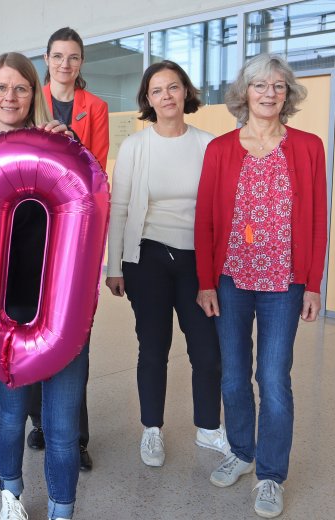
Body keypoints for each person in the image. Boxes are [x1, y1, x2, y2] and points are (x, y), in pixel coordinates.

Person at [195, 53, 327, 519]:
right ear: (243, 93)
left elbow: (317, 219)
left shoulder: (308, 147)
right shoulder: (220, 149)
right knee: (232, 376)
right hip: (231, 279)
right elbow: (207, 219)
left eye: (278, 86)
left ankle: (270, 474)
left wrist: (313, 285)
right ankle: (242, 452)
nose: (269, 93)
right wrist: (206, 281)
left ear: (286, 94)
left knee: (272, 379)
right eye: (259, 85)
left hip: (283, 284)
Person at [0, 51, 86, 520]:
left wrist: (71, 145)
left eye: (20, 88)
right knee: (11, 409)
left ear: (33, 94)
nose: (10, 96)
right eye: (1, 87)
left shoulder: (59, 142)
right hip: (6, 307)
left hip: (62, 303)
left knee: (62, 422)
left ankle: (62, 509)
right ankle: (11, 496)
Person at [105, 60, 227, 468]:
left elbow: (222, 209)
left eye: (173, 87)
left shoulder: (209, 144)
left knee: (207, 350)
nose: (166, 96)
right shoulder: (136, 146)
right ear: (148, 100)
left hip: (198, 260)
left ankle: (209, 429)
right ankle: (152, 429)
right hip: (148, 257)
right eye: (157, 91)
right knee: (153, 347)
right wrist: (115, 266)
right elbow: (119, 209)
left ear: (185, 92)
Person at [25, 26, 110, 471]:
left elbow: (96, 170)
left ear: (81, 63)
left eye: (73, 57)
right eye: (58, 56)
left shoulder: (94, 107)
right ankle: (40, 422)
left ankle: (76, 436)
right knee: (33, 327)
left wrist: (72, 143)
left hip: (74, 235)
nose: (65, 64)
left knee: (75, 334)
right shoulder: (28, 97)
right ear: (46, 58)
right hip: (31, 232)